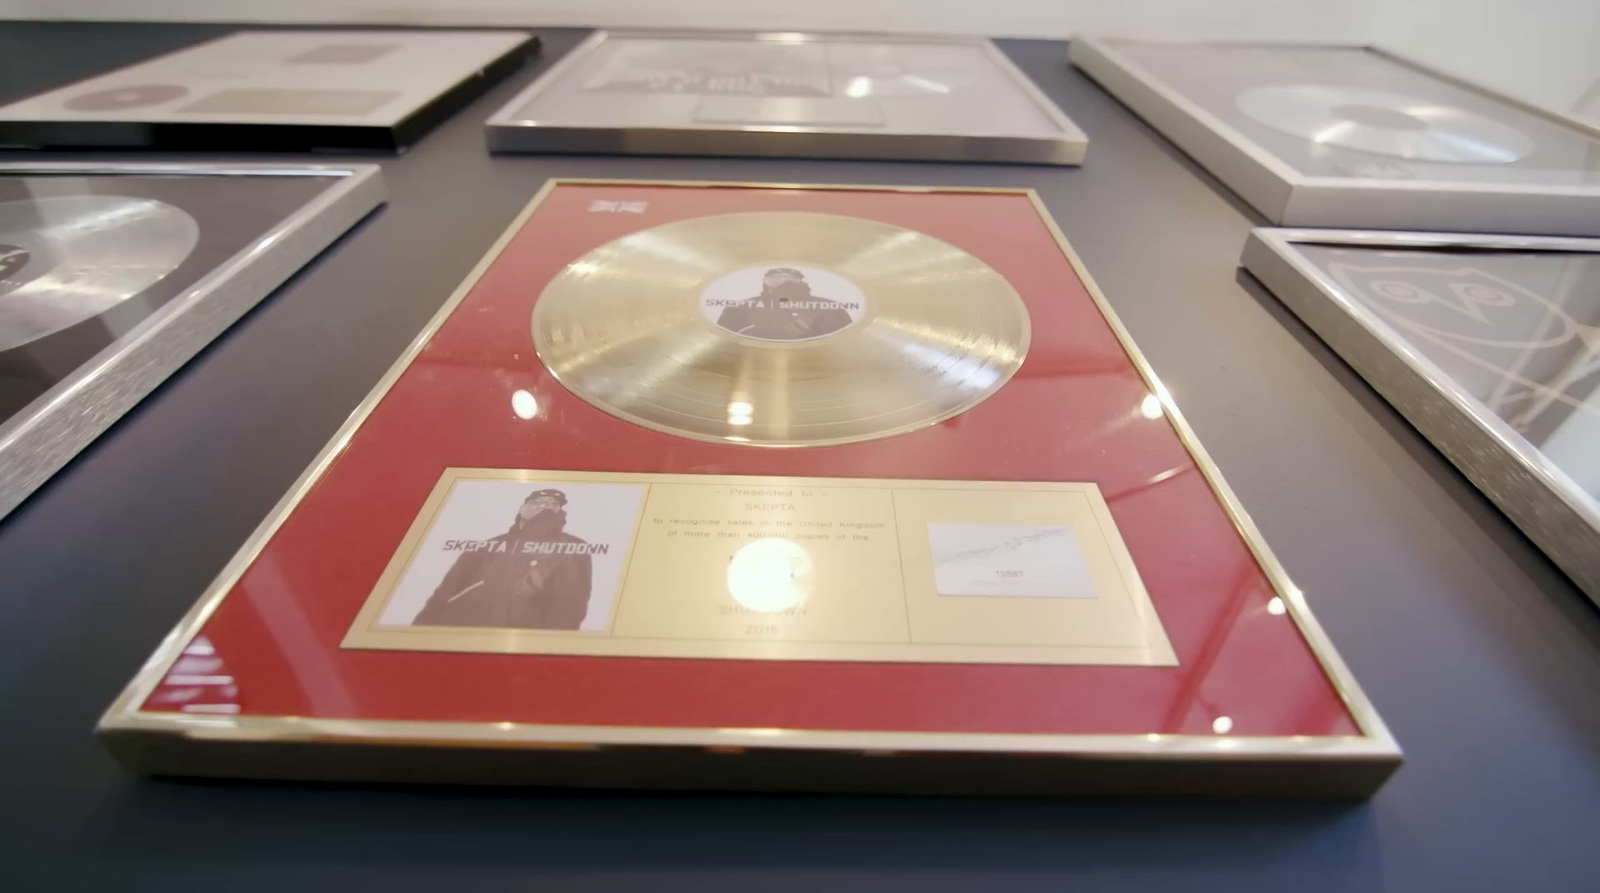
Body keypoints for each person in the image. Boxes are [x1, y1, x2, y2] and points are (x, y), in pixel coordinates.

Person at [413, 488, 593, 630]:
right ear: (522, 509)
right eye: (537, 502)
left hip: (522, 634)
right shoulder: (490, 545)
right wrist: (422, 627)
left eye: (552, 503)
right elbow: (448, 588)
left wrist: (550, 645)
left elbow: (570, 602)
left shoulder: (572, 547)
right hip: (460, 628)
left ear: (559, 511)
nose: (544, 506)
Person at [715, 267, 854, 340]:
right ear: (765, 282)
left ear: (799, 282)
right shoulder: (739, 308)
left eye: (788, 279)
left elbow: (849, 341)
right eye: (775, 279)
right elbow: (719, 341)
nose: (781, 283)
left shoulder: (830, 307)